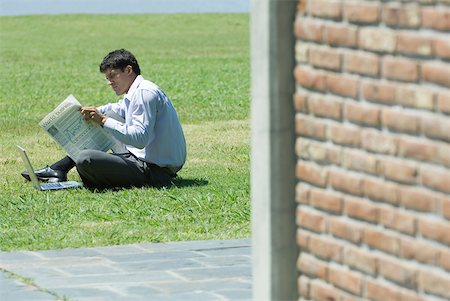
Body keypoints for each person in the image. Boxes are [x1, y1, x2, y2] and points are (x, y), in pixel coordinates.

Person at [22, 49, 186, 190]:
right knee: (109, 119)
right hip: (145, 160)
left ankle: (61, 169)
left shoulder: (144, 93)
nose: (109, 82)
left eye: (112, 76)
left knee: (86, 159)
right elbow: (117, 109)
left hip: (155, 171)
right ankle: (59, 168)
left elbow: (139, 139)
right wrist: (92, 112)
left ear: (129, 70)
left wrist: (102, 121)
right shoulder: (137, 91)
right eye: (107, 78)